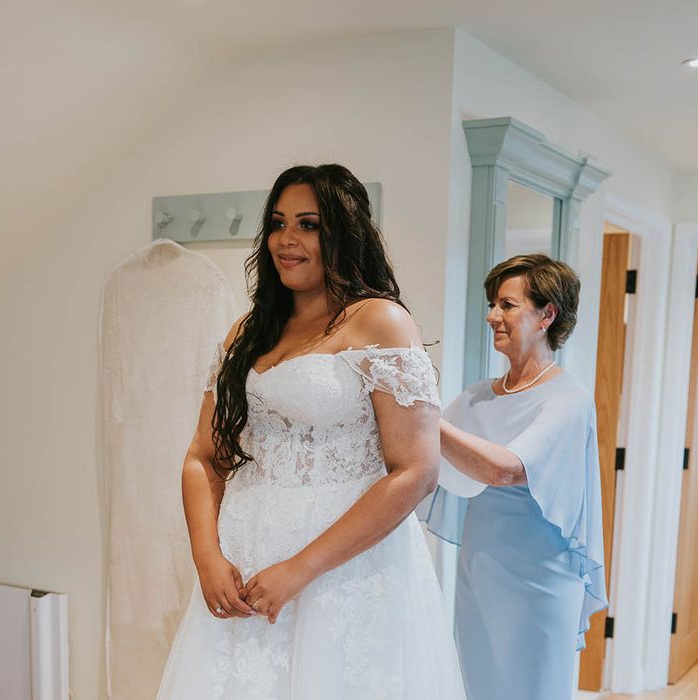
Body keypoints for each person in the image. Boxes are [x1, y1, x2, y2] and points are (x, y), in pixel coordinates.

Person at [156, 164, 466, 699]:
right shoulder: (248, 332)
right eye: (278, 223)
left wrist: (301, 569)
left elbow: (416, 470)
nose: (287, 239)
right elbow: (203, 457)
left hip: (344, 570)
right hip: (244, 559)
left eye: (308, 224)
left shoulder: (379, 321)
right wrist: (207, 557)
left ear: (343, 233)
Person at [422, 254, 607, 700]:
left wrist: (420, 412)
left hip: (541, 585)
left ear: (547, 314)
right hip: (480, 576)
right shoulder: (476, 397)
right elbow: (420, 455)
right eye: (493, 304)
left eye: (506, 304)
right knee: (479, 686)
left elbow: (506, 469)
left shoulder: (568, 399)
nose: (492, 316)